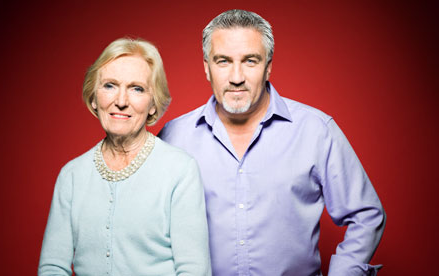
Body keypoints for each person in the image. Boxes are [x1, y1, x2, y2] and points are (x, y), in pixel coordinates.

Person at [159, 9, 386, 276]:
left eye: (250, 61)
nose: (236, 77)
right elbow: (150, 227)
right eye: (223, 61)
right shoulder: (174, 137)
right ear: (206, 68)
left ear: (268, 67)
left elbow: (366, 215)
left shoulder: (315, 131)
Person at [38, 38, 211, 276]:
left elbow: (194, 270)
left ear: (153, 103)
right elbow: (52, 267)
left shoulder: (180, 170)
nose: (120, 101)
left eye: (136, 88)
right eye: (109, 85)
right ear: (93, 97)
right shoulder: (72, 175)